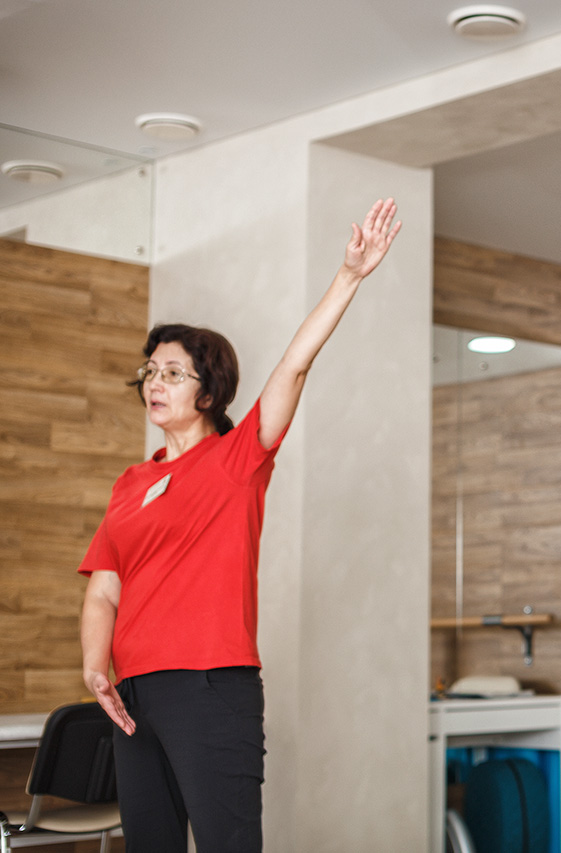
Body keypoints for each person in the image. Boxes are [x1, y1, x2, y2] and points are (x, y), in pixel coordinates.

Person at [78, 198, 401, 852]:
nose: (155, 382)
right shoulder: (130, 483)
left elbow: (294, 366)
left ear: (208, 390)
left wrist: (349, 275)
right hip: (133, 696)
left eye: (173, 373)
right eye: (150, 371)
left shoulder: (237, 460)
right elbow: (104, 590)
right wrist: (94, 667)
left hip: (210, 688)